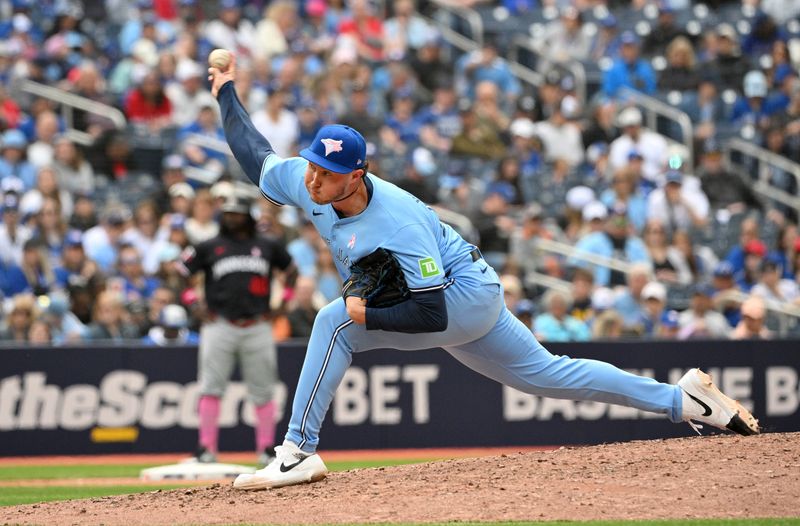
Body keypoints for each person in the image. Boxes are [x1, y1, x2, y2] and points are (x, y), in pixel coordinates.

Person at [208, 54, 760, 491]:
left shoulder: (397, 221)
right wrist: (226, 93)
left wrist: (368, 312)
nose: (313, 180)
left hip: (461, 297)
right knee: (552, 375)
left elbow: (430, 313)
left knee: (334, 323)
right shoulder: (306, 182)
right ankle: (684, 402)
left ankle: (296, 453)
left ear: (356, 175)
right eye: (312, 166)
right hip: (469, 297)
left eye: (327, 173)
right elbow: (255, 155)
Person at [176, 188, 296, 467]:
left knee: (263, 389)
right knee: (210, 386)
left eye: (237, 213)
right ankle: (206, 448)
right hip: (220, 323)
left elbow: (291, 271)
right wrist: (193, 303)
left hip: (257, 324)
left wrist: (284, 302)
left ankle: (267, 449)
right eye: (227, 213)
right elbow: (182, 270)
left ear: (247, 216)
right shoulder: (210, 245)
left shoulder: (267, 244)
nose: (231, 218)